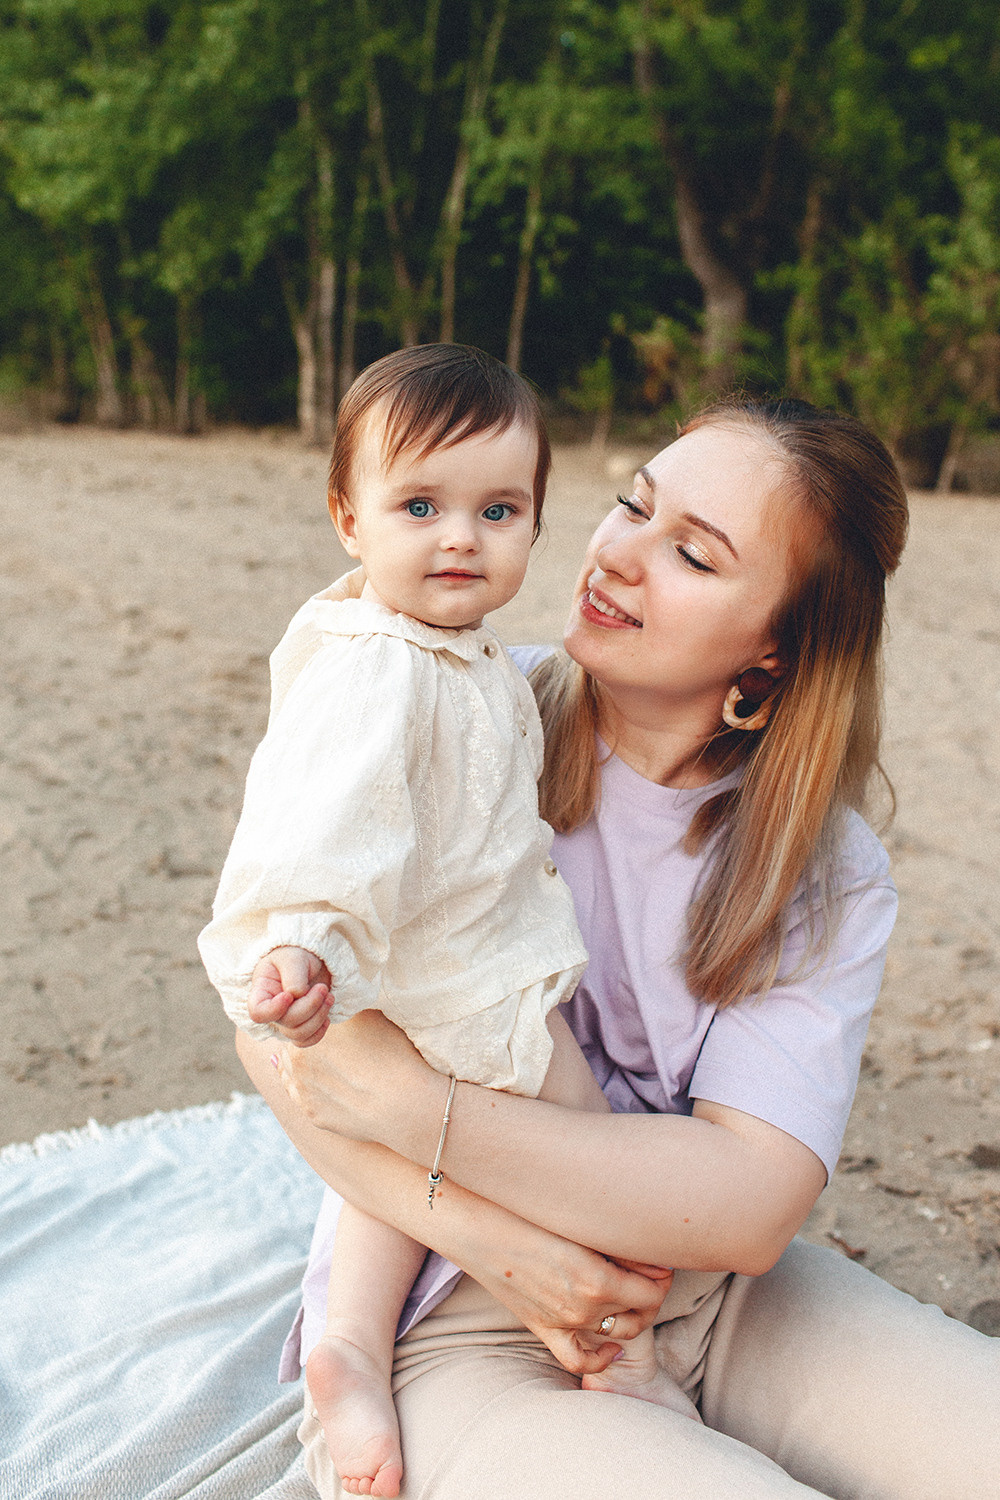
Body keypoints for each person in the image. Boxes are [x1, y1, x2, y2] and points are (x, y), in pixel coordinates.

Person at [238, 394, 1000, 1499]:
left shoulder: (819, 860)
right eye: (631, 506)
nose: (618, 556)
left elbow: (749, 1201)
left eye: (690, 553)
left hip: (721, 1298)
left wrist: (412, 1108)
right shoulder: (452, 711)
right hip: (470, 1315)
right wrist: (502, 1244)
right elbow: (275, 1017)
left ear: (777, 648)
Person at [199, 345, 696, 1500]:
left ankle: (350, 1347)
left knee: (384, 1176)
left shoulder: (452, 651)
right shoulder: (381, 672)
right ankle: (617, 1354)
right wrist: (302, 940)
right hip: (460, 977)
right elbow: (321, 813)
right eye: (419, 506)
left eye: (499, 509)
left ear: (533, 523)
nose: (461, 537)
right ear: (348, 519)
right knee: (597, 1159)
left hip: (428, 972)